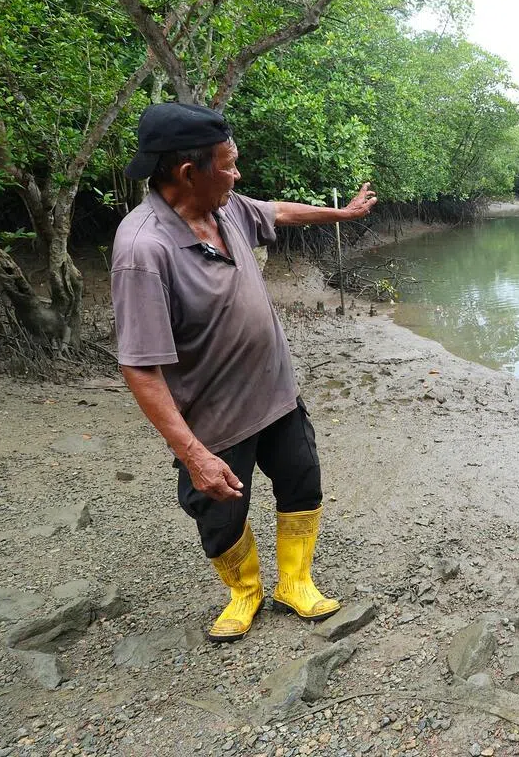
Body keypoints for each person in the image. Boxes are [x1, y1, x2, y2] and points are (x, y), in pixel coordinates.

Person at [110, 102, 377, 643]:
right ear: (188, 172)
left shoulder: (225, 206)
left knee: (303, 484)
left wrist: (342, 216)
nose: (238, 175)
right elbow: (140, 368)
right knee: (219, 515)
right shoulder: (144, 249)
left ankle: (296, 582)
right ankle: (245, 591)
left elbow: (276, 212)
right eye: (228, 164)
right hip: (215, 421)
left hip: (276, 395)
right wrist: (193, 453)